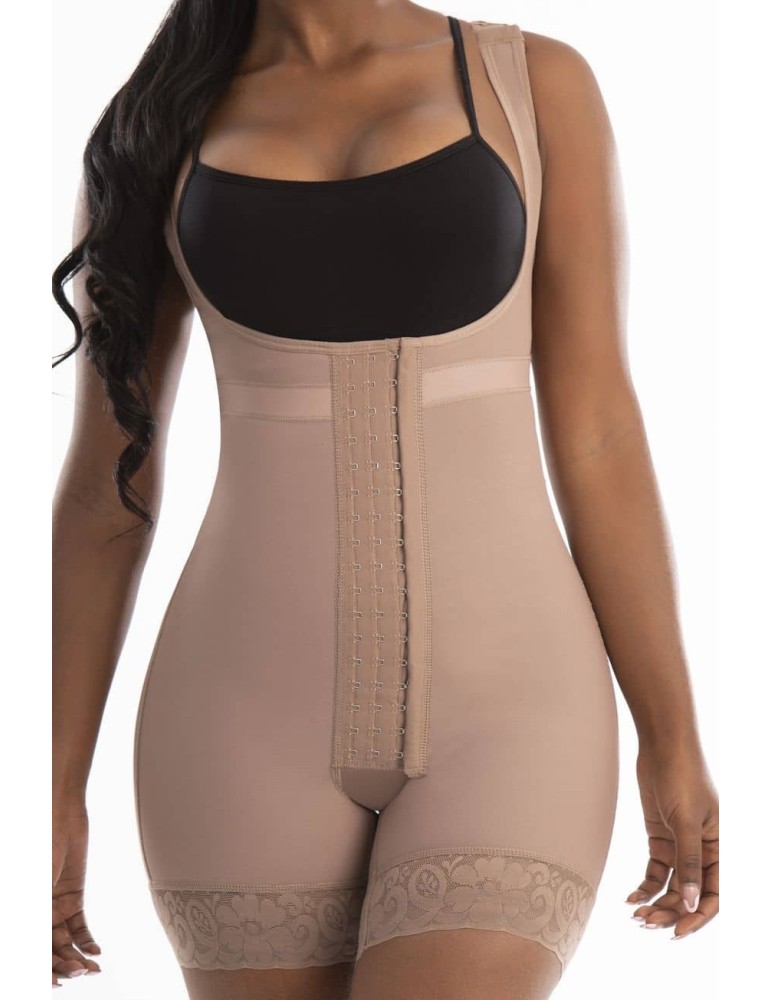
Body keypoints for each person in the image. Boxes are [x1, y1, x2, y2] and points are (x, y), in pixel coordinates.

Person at [52, 2, 719, 997]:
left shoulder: (532, 84)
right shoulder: (154, 127)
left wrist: (671, 732)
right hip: (234, 713)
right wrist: (54, 784)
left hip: (514, 708)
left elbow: (598, 435)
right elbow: (104, 493)